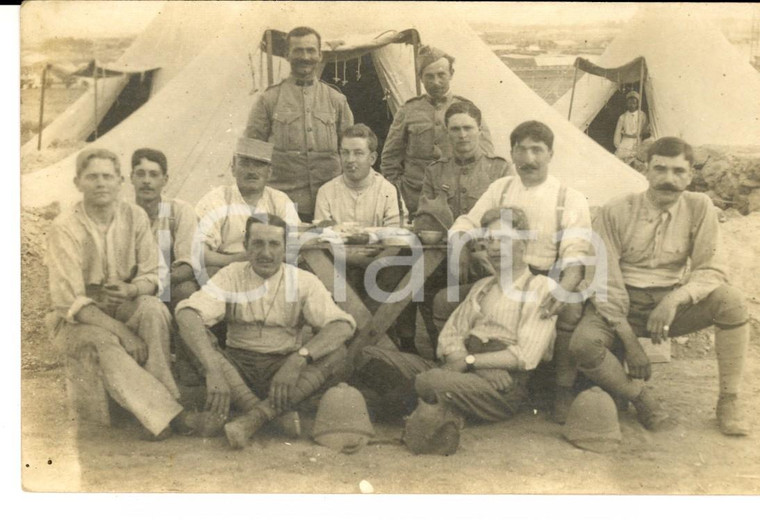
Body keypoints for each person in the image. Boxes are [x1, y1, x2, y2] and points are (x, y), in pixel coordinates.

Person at [569, 137, 750, 436]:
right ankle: (641, 397)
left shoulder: (699, 206)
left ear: (691, 175)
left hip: (668, 306)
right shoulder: (617, 210)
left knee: (731, 302)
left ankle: (729, 400)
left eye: (679, 171)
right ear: (646, 171)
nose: (669, 179)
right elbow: (604, 282)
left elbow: (712, 268)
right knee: (583, 344)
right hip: (621, 303)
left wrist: (675, 299)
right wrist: (630, 343)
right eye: (660, 169)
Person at [47, 149, 205, 440]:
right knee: (105, 339)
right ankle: (168, 414)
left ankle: (162, 400)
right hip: (75, 321)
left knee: (152, 309)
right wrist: (123, 331)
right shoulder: (64, 227)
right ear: (77, 182)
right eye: (92, 177)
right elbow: (71, 303)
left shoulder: (133, 217)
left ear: (120, 181)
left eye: (108, 176)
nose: (101, 184)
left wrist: (132, 289)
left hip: (120, 305)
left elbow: (154, 273)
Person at [443, 120, 592, 423]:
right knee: (443, 301)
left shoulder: (569, 197)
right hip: (501, 277)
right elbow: (466, 223)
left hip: (546, 278)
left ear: (550, 154)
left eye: (537, 150)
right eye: (521, 150)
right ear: (511, 153)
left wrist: (564, 289)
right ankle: (470, 371)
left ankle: (561, 389)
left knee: (569, 310)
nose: (528, 159)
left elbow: (577, 254)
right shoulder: (501, 188)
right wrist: (464, 247)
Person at [353, 207, 557, 424]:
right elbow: (450, 336)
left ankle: (386, 408)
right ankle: (430, 408)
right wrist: (470, 364)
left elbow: (525, 356)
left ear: (524, 244)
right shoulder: (482, 287)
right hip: (466, 369)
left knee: (431, 381)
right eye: (489, 240)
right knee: (365, 353)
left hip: (501, 387)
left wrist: (471, 362)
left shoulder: (541, 287)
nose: (495, 248)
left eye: (503, 240)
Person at [175, 213, 357, 449]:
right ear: (245, 246)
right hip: (236, 367)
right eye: (258, 244)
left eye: (274, 244)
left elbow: (342, 325)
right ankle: (269, 414)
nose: (266, 253)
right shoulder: (231, 274)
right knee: (191, 333)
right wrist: (213, 371)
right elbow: (187, 314)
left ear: (285, 248)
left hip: (282, 371)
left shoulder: (303, 280)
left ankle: (250, 419)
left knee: (338, 353)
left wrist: (299, 359)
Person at [245, 26, 354, 222]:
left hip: (330, 203)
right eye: (298, 50)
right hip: (283, 204)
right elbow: (251, 154)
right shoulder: (269, 99)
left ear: (320, 55)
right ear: (287, 55)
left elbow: (350, 151)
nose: (305, 56)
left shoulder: (336, 100)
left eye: (311, 50)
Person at [381, 45, 494, 218]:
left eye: (441, 75)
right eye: (429, 76)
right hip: (415, 198)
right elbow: (390, 157)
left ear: (451, 74)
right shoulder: (409, 110)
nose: (436, 82)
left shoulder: (466, 109)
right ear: (420, 78)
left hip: (454, 198)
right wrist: (400, 190)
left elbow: (485, 155)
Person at [195, 137, 300, 280]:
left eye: (259, 165)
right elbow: (201, 254)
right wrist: (242, 259)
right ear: (233, 168)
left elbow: (294, 246)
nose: (251, 171)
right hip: (226, 268)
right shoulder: (216, 199)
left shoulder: (280, 200)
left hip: (271, 265)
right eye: (244, 164)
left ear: (269, 172)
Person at [130, 148, 198, 308]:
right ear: (131, 177)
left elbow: (188, 265)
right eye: (140, 174)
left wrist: (155, 282)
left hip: (169, 284)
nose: (146, 181)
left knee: (186, 291)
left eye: (154, 175)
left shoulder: (179, 211)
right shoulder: (121, 214)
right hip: (133, 287)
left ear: (165, 179)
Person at [420, 101, 510, 219]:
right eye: (455, 129)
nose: (462, 135)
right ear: (447, 133)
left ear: (480, 131)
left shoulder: (500, 169)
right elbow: (426, 220)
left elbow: (508, 220)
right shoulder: (435, 171)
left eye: (468, 128)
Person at [314, 124, 403, 227]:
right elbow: (323, 238)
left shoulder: (388, 191)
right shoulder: (326, 192)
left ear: (372, 158)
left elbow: (395, 238)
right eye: (345, 153)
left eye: (358, 153)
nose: (350, 159)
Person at [613, 91, 648, 165]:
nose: (632, 105)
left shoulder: (642, 115)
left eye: (634, 103)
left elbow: (645, 128)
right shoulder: (623, 117)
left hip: (637, 140)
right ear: (627, 103)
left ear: (637, 104)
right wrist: (617, 144)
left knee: (636, 161)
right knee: (620, 160)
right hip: (626, 141)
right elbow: (617, 132)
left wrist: (640, 134)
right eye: (629, 103)